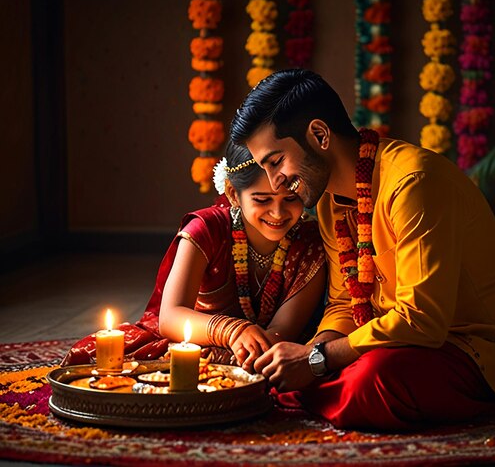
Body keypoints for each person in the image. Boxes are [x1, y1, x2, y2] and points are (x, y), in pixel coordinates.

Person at [230, 68, 495, 430]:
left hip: (475, 350)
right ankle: (320, 389)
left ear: (319, 135)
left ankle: (322, 393)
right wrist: (311, 353)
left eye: (275, 162)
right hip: (394, 341)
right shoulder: (331, 201)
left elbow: (423, 320)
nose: (275, 182)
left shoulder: (413, 182)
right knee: (310, 363)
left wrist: (317, 360)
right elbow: (344, 303)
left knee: (374, 381)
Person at [61, 141, 327, 372]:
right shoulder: (206, 229)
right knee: (98, 354)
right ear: (234, 194)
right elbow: (170, 317)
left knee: (311, 363)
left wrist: (248, 348)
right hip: (196, 340)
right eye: (262, 200)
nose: (278, 213)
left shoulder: (311, 243)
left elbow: (281, 332)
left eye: (290, 199)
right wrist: (233, 331)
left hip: (266, 350)